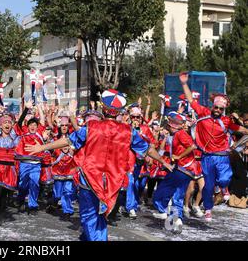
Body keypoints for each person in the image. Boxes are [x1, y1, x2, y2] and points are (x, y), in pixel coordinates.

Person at [25, 90, 173, 241]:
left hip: (89, 179)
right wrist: (163, 161)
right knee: (100, 216)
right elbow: (148, 149)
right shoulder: (128, 131)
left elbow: (68, 141)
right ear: (120, 112)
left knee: (89, 216)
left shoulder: (92, 127)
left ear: (102, 107)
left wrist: (42, 147)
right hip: (113, 181)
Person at [179, 72, 248, 221]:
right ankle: (208, 209)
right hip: (206, 157)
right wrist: (184, 83)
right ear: (213, 106)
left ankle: (223, 188)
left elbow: (241, 130)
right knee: (207, 187)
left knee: (225, 178)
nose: (217, 110)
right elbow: (191, 100)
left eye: (220, 109)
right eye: (216, 107)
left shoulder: (226, 121)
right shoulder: (203, 112)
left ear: (223, 110)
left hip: (222, 157)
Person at [152, 112, 200, 233]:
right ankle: (177, 220)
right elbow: (163, 150)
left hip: (183, 169)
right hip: (186, 170)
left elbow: (193, 146)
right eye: (171, 123)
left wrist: (178, 156)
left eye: (176, 124)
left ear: (181, 125)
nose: (172, 125)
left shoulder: (180, 134)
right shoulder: (174, 134)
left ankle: (162, 210)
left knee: (162, 190)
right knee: (177, 196)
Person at [14, 100, 46, 215]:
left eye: (35, 125)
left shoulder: (40, 132)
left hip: (36, 164)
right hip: (24, 163)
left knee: (34, 183)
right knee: (23, 184)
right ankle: (21, 199)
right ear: (27, 126)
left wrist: (39, 107)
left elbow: (42, 120)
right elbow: (19, 123)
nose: (33, 126)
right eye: (31, 124)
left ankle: (32, 205)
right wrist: (26, 108)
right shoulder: (23, 131)